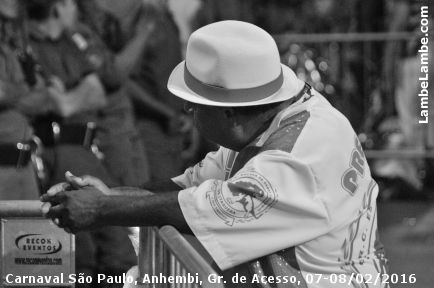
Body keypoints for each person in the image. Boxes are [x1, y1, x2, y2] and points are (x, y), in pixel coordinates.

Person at [42, 21, 389, 287]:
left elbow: (207, 207)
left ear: (229, 113)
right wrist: (109, 196)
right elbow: (188, 189)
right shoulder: (276, 121)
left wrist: (102, 209)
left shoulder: (301, 153)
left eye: (193, 108)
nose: (189, 115)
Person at [24, 0, 136, 285]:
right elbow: (55, 103)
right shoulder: (22, 41)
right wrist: (73, 95)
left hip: (88, 149)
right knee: (79, 254)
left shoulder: (70, 40)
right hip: (55, 152)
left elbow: (97, 93)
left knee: (117, 249)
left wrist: (68, 97)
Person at [0, 0, 40, 200]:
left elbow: (44, 97)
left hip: (24, 163)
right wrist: (26, 88)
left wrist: (15, 93)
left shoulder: (13, 43)